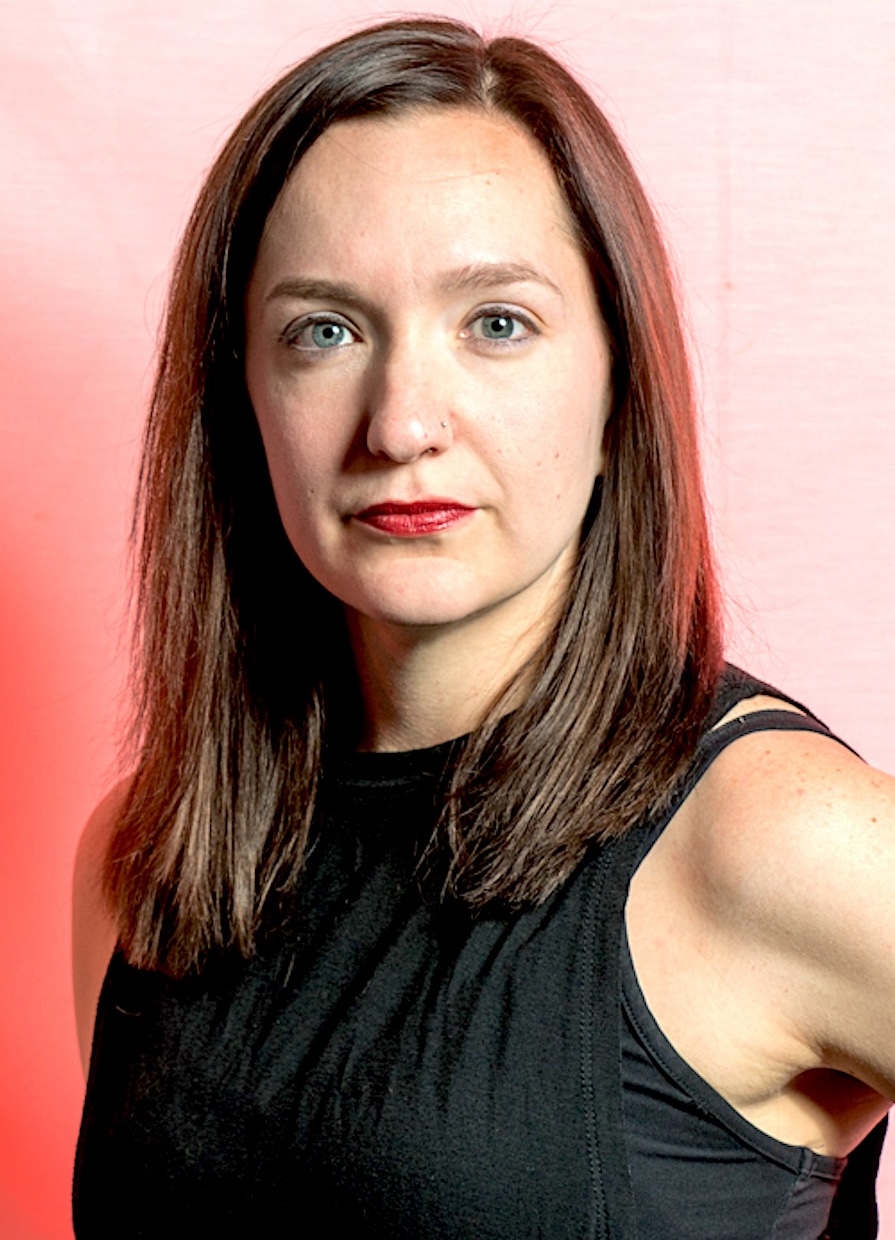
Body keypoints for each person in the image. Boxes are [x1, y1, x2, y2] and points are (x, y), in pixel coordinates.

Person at [70, 17, 895, 1239]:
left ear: (621, 386)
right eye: (324, 330)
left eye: (496, 323)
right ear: (238, 401)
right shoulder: (147, 858)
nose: (402, 421)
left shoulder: (779, 839)